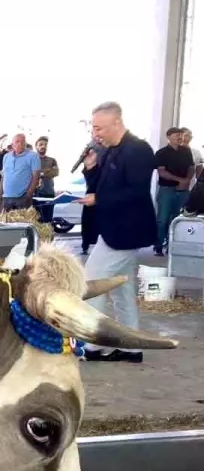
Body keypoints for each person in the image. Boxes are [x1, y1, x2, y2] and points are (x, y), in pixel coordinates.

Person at [76, 101, 157, 364]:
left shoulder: (139, 150)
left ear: (116, 123)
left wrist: (98, 199)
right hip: (111, 229)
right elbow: (100, 186)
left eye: (99, 127)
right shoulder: (111, 150)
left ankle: (96, 345)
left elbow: (135, 192)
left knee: (92, 284)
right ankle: (130, 348)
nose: (95, 133)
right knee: (122, 288)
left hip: (126, 232)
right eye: (93, 128)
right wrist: (91, 168)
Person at [153, 127, 193, 256]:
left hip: (182, 191)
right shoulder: (161, 153)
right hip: (166, 189)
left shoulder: (186, 151)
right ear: (169, 137)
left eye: (180, 135)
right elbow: (162, 171)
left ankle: (172, 246)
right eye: (177, 135)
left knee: (177, 219)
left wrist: (186, 180)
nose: (180, 137)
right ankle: (158, 245)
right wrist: (179, 180)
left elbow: (191, 167)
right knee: (163, 219)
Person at [0, 133, 42, 213]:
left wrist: (28, 195)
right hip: (6, 198)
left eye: (23, 141)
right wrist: (0, 197)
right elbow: (3, 177)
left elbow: (36, 177)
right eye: (17, 141)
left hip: (22, 198)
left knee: (22, 224)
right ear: (12, 144)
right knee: (6, 223)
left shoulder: (33, 156)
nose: (21, 144)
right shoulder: (6, 156)